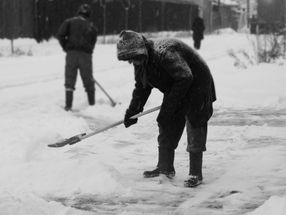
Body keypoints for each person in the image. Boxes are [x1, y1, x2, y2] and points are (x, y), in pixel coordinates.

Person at [116, 30, 216, 187]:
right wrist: (133, 111)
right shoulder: (141, 63)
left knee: (195, 123)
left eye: (133, 58)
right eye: (129, 59)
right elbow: (142, 88)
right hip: (177, 85)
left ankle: (195, 173)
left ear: (141, 51)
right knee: (167, 122)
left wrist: (168, 107)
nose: (131, 62)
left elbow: (185, 77)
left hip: (198, 85)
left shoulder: (165, 53)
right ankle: (165, 167)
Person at [57, 4, 97, 111]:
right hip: (85, 55)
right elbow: (93, 40)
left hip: (72, 54)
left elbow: (60, 35)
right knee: (88, 79)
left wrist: (66, 47)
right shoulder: (91, 26)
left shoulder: (69, 22)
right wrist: (89, 50)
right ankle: (92, 105)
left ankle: (68, 106)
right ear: (89, 14)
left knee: (69, 79)